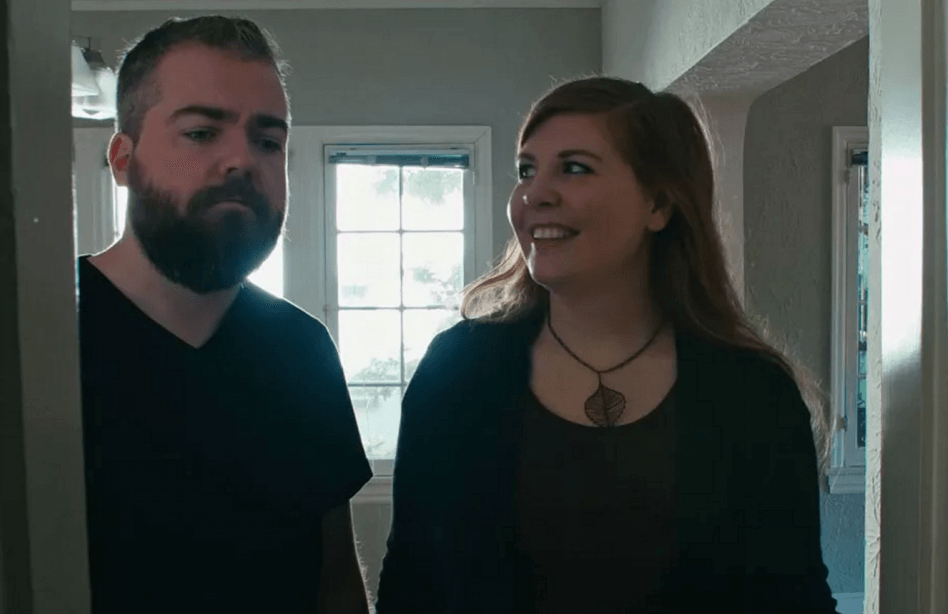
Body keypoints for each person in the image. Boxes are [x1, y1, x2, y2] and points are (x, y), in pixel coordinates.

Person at [376, 76, 836, 613]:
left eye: (575, 168)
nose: (534, 194)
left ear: (658, 203)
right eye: (526, 170)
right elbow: (410, 584)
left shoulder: (752, 393)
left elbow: (795, 598)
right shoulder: (456, 372)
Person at [77, 16, 372, 613]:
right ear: (122, 160)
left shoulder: (302, 350)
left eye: (267, 141)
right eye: (201, 133)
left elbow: (336, 580)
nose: (241, 160)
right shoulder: (40, 339)